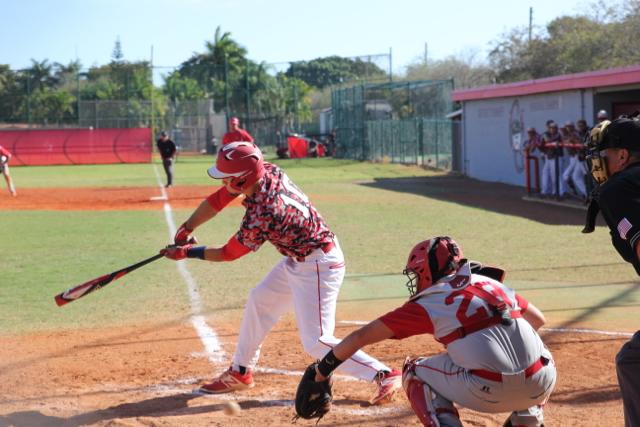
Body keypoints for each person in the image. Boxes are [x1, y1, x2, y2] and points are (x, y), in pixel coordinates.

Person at [161, 141, 402, 404]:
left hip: (319, 265)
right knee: (260, 300)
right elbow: (221, 198)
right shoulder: (266, 171)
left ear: (242, 181)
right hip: (299, 259)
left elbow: (229, 253)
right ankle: (241, 372)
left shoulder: (264, 212)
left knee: (317, 341)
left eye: (228, 178)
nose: (223, 183)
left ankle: (384, 374)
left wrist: (188, 253)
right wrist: (187, 228)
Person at [305, 237, 556, 426]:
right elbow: (538, 319)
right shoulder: (489, 282)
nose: (415, 280)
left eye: (416, 273)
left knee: (414, 370)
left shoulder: (430, 301)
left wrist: (322, 370)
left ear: (426, 271)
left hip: (488, 390)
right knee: (538, 359)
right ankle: (528, 419)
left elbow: (362, 337)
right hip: (542, 383)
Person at [582, 112, 640, 426]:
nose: (599, 162)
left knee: (634, 362)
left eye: (604, 154)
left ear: (622, 155)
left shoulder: (620, 187)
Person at [561, 121, 588, 199]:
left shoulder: (576, 133)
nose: (567, 128)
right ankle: (585, 194)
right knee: (575, 176)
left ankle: (588, 195)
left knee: (585, 176)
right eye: (567, 127)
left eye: (569, 126)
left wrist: (572, 140)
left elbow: (580, 142)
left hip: (581, 157)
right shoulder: (567, 135)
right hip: (577, 157)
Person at [540, 121, 564, 197]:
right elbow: (545, 141)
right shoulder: (546, 134)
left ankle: (560, 192)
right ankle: (546, 191)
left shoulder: (559, 135)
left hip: (557, 157)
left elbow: (550, 140)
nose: (552, 129)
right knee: (546, 173)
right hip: (549, 157)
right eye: (551, 128)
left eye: (554, 128)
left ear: (556, 128)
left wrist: (552, 142)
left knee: (556, 175)